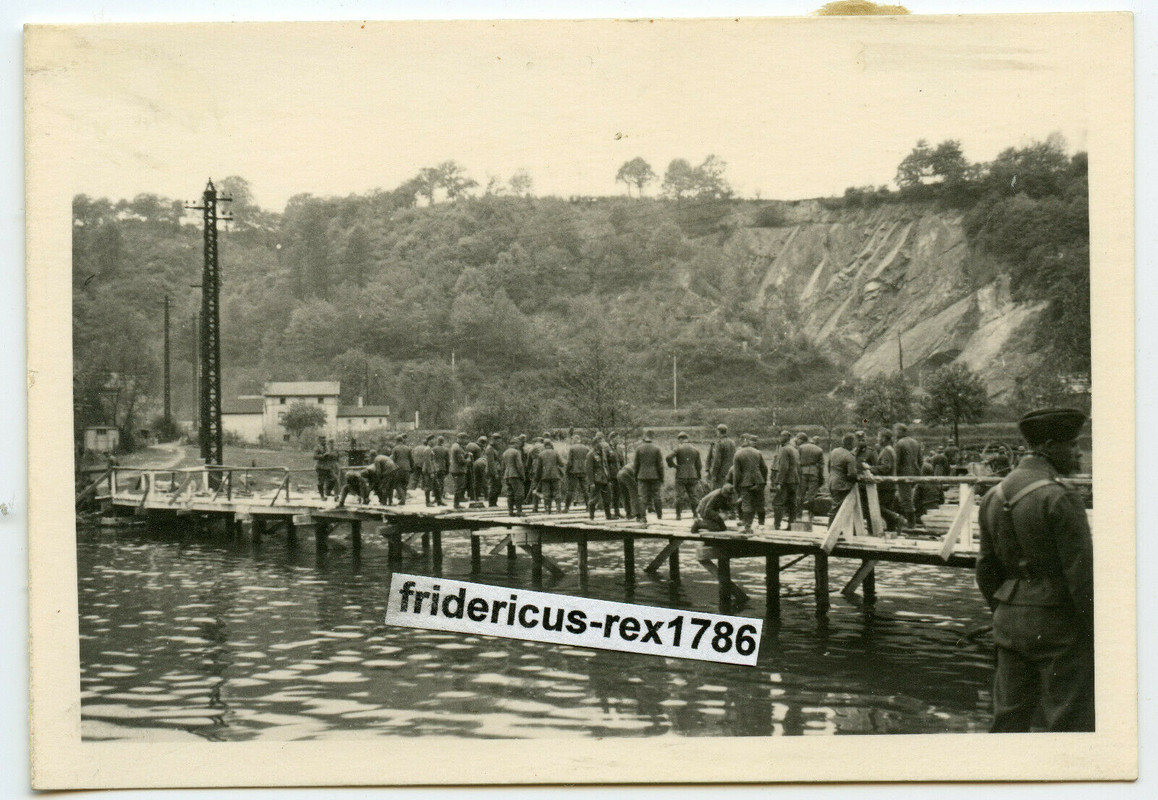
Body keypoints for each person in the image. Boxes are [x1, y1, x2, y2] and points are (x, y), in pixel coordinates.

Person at [976, 408, 1093, 732]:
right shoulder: (1060, 497)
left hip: (1009, 622)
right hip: (1059, 624)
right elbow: (1082, 577)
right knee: (1069, 721)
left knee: (1008, 721)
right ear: (1050, 446)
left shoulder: (992, 497)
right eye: (1072, 445)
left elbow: (985, 569)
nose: (1078, 452)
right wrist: (1093, 631)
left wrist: (1005, 608)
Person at [730, 434, 767, 534]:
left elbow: (736, 473)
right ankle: (761, 524)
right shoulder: (757, 452)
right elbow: (764, 468)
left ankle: (747, 527)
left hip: (745, 482)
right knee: (760, 502)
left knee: (746, 504)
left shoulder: (738, 454)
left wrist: (735, 485)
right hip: (758, 480)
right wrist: (763, 481)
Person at [871, 428, 905, 532]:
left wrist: (870, 468)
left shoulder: (886, 451)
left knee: (878, 507)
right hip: (891, 485)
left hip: (886, 485)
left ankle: (897, 518)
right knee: (888, 508)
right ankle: (893, 531)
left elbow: (886, 467)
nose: (877, 439)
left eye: (878, 436)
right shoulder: (890, 449)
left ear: (884, 438)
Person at [666, 432, 703, 521]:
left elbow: (668, 457)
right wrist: (698, 475)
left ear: (681, 439)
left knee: (679, 496)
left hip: (681, 475)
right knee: (693, 496)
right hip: (693, 476)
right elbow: (699, 465)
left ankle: (678, 516)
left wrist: (673, 465)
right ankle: (695, 515)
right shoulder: (695, 449)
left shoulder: (678, 448)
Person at [894, 423, 923, 526]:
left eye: (896, 431)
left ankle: (911, 524)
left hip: (903, 474)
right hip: (915, 474)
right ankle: (910, 522)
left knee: (905, 499)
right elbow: (920, 461)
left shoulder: (899, 444)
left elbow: (897, 462)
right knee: (910, 498)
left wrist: (894, 476)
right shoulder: (916, 442)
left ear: (902, 431)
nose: (895, 433)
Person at [634, 430, 665, 522]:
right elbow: (660, 465)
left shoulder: (639, 449)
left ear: (645, 437)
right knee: (657, 496)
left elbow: (636, 465)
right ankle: (659, 516)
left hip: (642, 476)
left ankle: (643, 517)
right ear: (652, 437)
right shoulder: (657, 449)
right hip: (655, 476)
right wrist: (661, 477)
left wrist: (636, 476)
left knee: (642, 497)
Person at [773, 430, 800, 530]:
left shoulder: (784, 449)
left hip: (786, 481)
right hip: (794, 480)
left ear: (786, 437)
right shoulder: (794, 449)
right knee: (792, 503)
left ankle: (777, 525)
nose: (779, 438)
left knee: (778, 502)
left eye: (781, 436)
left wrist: (779, 481)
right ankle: (791, 525)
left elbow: (783, 467)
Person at [584, 432, 614, 520]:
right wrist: (591, 482)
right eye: (599, 443)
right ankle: (591, 516)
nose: (601, 444)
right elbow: (589, 469)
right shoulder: (590, 454)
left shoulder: (603, 453)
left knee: (607, 498)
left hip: (605, 478)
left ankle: (608, 515)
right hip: (596, 479)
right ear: (595, 444)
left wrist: (608, 476)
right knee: (594, 499)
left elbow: (606, 465)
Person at [827, 433, 859, 512]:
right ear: (851, 443)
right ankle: (833, 524)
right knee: (839, 509)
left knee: (835, 506)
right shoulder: (849, 456)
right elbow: (852, 474)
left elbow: (829, 467)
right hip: (842, 486)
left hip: (832, 482)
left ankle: (833, 523)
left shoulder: (834, 451)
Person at [797, 433, 825, 517]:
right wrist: (821, 477)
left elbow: (797, 461)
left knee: (800, 495)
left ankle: (798, 514)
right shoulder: (819, 450)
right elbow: (821, 466)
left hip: (802, 472)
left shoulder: (801, 448)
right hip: (814, 472)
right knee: (811, 495)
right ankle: (810, 515)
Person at [534, 437, 565, 513]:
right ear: (551, 444)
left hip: (545, 477)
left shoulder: (541, 454)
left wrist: (537, 478)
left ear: (544, 445)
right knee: (557, 493)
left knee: (546, 494)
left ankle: (547, 510)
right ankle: (558, 510)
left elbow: (539, 468)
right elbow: (561, 464)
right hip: (555, 476)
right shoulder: (555, 452)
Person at [706, 424, 736, 491]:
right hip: (731, 471)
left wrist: (713, 474)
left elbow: (717, 460)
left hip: (721, 473)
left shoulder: (719, 443)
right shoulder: (732, 442)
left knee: (717, 492)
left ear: (718, 431)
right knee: (729, 492)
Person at [501, 437, 526, 515]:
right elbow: (519, 465)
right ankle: (519, 511)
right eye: (518, 444)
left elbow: (503, 466)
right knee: (519, 493)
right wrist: (523, 476)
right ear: (515, 444)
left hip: (507, 475)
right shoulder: (516, 452)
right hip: (515, 475)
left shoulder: (505, 453)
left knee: (510, 493)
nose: (519, 446)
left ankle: (510, 511)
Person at [565, 435, 590, 512]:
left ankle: (566, 508)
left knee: (570, 490)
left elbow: (569, 462)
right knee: (585, 490)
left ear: (575, 440)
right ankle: (588, 507)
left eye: (572, 439)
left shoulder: (572, 448)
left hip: (573, 471)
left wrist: (567, 471)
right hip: (583, 471)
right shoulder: (586, 448)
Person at [448, 432, 471, 509]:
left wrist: (466, 454)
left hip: (455, 469)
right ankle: (456, 504)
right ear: (460, 439)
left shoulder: (455, 446)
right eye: (464, 439)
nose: (465, 441)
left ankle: (456, 503)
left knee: (458, 486)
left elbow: (460, 457)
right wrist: (468, 459)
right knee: (458, 487)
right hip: (458, 470)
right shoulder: (458, 448)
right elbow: (461, 461)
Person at [606, 431, 625, 518]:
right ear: (612, 439)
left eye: (619, 438)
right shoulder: (607, 449)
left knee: (617, 493)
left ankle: (617, 511)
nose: (618, 440)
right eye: (616, 438)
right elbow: (605, 462)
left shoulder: (619, 449)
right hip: (610, 474)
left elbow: (622, 461)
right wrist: (607, 474)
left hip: (619, 474)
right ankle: (609, 512)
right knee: (610, 493)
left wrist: (623, 471)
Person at [616, 459, 642, 523]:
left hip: (619, 474)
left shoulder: (635, 463)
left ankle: (628, 514)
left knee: (625, 495)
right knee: (634, 494)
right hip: (627, 474)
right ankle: (638, 515)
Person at [313, 435, 338, 500]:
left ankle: (328, 491)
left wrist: (331, 455)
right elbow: (315, 456)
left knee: (334, 479)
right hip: (320, 467)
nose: (324, 441)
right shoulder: (317, 447)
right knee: (321, 482)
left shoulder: (327, 447)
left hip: (328, 467)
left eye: (325, 440)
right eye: (322, 440)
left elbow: (333, 453)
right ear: (319, 440)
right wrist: (323, 456)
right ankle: (322, 496)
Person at [390, 433, 412, 505]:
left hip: (399, 469)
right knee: (404, 484)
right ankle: (403, 498)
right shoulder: (408, 448)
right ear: (402, 440)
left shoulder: (395, 449)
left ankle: (403, 499)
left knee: (397, 484)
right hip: (407, 469)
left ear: (396, 441)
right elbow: (411, 459)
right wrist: (411, 468)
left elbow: (393, 460)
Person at [485, 433, 504, 507]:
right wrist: (495, 473)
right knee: (494, 487)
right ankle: (491, 503)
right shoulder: (490, 449)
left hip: (496, 470)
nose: (499, 443)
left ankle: (494, 502)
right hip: (493, 471)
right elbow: (491, 463)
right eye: (497, 441)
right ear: (493, 440)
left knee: (497, 487)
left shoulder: (494, 448)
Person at [429, 435, 450, 505]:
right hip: (442, 468)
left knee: (435, 484)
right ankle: (440, 498)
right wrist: (447, 469)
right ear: (443, 441)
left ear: (437, 441)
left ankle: (436, 498)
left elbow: (431, 459)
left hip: (435, 468)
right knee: (441, 483)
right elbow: (447, 461)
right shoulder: (446, 449)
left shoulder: (433, 449)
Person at [464, 435, 484, 501]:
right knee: (474, 481)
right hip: (473, 466)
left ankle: (469, 495)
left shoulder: (469, 444)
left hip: (466, 465)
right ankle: (474, 496)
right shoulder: (478, 448)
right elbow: (478, 459)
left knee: (468, 481)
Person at [471, 436, 489, 506]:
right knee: (485, 479)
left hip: (475, 463)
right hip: (483, 462)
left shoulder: (474, 446)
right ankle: (487, 496)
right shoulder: (483, 448)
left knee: (477, 480)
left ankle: (476, 496)